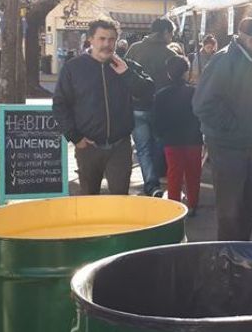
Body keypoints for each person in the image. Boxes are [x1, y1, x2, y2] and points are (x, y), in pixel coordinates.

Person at [193, 18, 252, 241]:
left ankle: (240, 249)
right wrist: (237, 127)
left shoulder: (251, 60)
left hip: (246, 141)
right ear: (250, 39)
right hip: (227, 144)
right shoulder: (225, 60)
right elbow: (203, 104)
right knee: (230, 208)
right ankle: (228, 257)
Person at [53, 19, 154, 195]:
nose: (107, 44)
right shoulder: (74, 68)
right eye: (102, 39)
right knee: (89, 200)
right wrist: (75, 137)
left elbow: (148, 90)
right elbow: (60, 105)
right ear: (91, 39)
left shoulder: (126, 66)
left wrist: (126, 75)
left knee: (120, 200)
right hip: (88, 147)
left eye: (111, 39)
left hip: (120, 146)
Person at [125, 17, 178, 197]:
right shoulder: (170, 54)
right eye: (171, 33)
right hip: (160, 108)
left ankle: (151, 182)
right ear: (165, 32)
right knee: (159, 143)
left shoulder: (134, 49)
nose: (172, 37)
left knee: (142, 148)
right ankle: (157, 176)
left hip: (136, 106)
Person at [153, 56, 203, 217]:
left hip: (171, 140)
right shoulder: (194, 92)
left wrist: (161, 134)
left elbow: (156, 119)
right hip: (193, 139)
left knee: (174, 174)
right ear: (186, 73)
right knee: (193, 174)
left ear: (169, 73)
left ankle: (174, 206)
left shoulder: (161, 95)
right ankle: (193, 204)